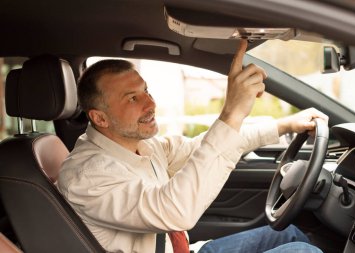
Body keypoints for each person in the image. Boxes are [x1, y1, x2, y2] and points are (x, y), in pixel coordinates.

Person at [57, 39, 327, 253]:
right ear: (99, 117)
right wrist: (231, 113)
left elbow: (204, 147)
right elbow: (176, 212)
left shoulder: (144, 146)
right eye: (132, 99)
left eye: (146, 91)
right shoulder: (88, 175)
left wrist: (284, 126)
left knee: (288, 233)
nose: (150, 104)